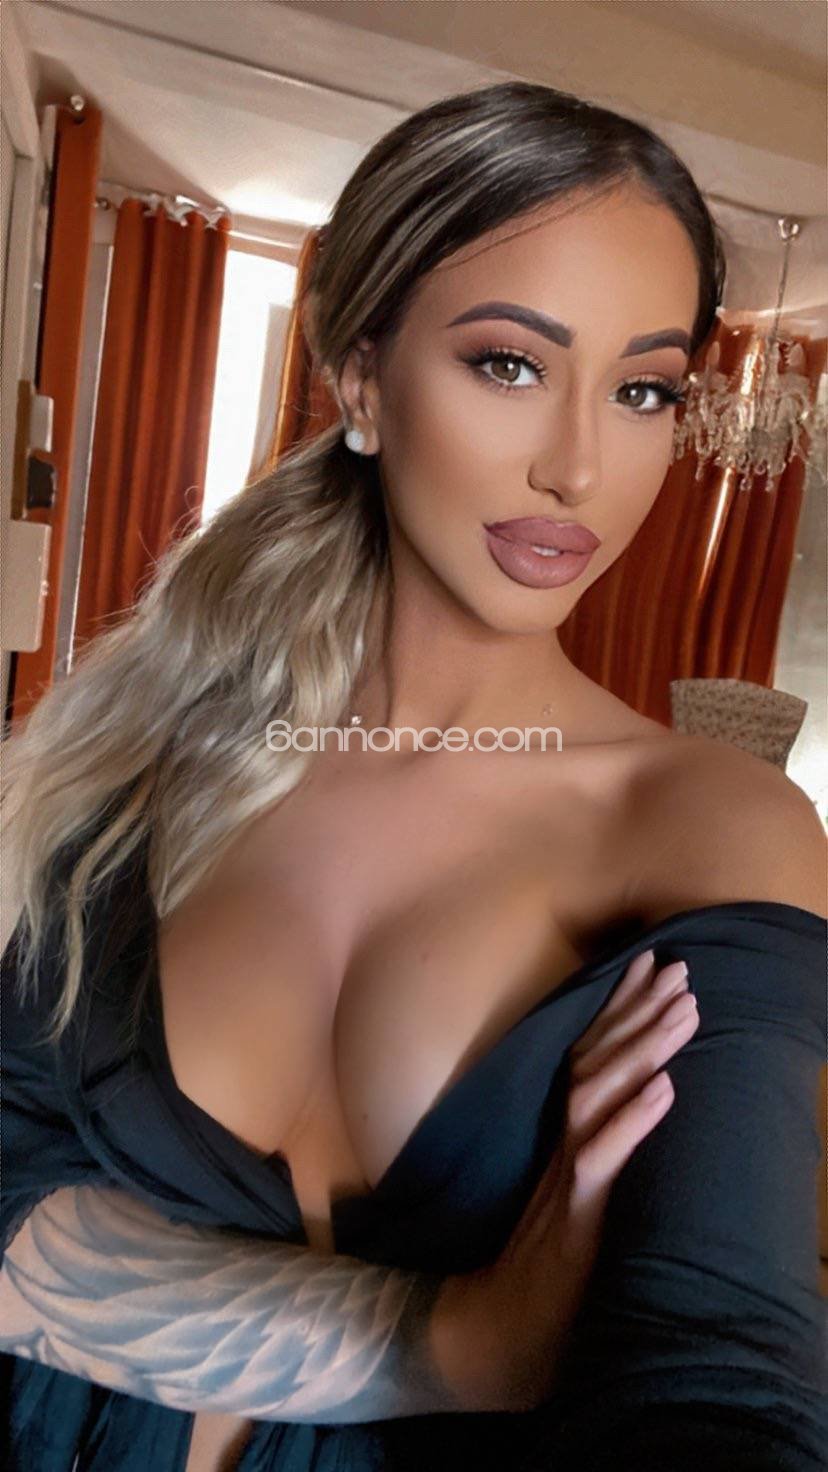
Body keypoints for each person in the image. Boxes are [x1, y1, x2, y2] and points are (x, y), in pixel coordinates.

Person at [1, 80, 825, 1472]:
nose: (579, 469)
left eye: (641, 391)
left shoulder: (709, 827)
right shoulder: (141, 767)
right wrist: (451, 1345)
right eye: (509, 364)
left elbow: (723, 1370)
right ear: (363, 377)